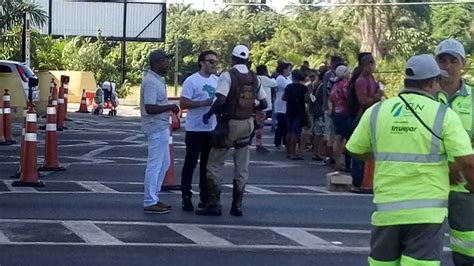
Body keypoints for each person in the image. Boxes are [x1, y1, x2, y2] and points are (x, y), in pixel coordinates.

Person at [346, 54, 474, 266]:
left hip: (387, 212)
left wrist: (386, 159)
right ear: (433, 82)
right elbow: (468, 161)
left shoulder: (377, 111)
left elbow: (355, 149)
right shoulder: (442, 115)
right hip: (427, 213)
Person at [196, 45, 267, 217]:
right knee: (242, 167)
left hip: (229, 124)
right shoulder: (254, 78)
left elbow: (220, 99)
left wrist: (209, 113)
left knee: (214, 164)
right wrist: (251, 106)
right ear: (247, 59)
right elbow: (264, 104)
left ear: (233, 58)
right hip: (247, 124)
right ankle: (237, 206)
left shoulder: (227, 76)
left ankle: (214, 204)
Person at [435, 38, 474, 266]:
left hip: (464, 185)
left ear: (463, 63)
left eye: (453, 60)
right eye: (442, 60)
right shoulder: (425, 96)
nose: (447, 66)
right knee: (422, 249)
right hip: (430, 184)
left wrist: (458, 167)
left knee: (466, 245)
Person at [140, 49, 180, 214]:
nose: (167, 63)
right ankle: (149, 201)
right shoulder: (150, 81)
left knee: (164, 164)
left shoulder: (157, 80)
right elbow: (149, 107)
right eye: (165, 61)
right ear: (156, 63)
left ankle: (154, 198)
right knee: (155, 165)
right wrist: (169, 107)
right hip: (155, 126)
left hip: (161, 126)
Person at [179, 50, 219, 212]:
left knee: (207, 166)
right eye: (211, 61)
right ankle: (186, 196)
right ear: (202, 62)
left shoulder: (217, 80)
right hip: (195, 129)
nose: (214, 65)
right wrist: (203, 103)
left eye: (216, 62)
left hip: (212, 128)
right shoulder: (192, 81)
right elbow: (184, 103)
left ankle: (205, 197)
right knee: (191, 163)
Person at [351, 53, 383, 189]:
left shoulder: (371, 78)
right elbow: (363, 101)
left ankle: (366, 179)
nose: (373, 67)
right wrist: (377, 96)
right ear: (365, 65)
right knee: (360, 150)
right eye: (371, 64)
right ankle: (358, 179)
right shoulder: (361, 81)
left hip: (371, 116)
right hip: (362, 117)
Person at [329, 65, 351, 171]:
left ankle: (337, 160)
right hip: (344, 113)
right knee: (343, 138)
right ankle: (341, 162)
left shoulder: (335, 85)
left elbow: (331, 99)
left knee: (338, 138)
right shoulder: (345, 85)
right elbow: (349, 98)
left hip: (336, 112)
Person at [283, 69, 309, 160]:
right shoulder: (303, 88)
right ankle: (294, 152)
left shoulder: (288, 87)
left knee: (289, 131)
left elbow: (284, 98)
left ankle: (289, 151)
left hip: (289, 110)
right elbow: (307, 99)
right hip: (299, 111)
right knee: (296, 132)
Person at [255, 64, 277, 153]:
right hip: (263, 106)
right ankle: (259, 144)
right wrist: (269, 76)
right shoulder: (265, 79)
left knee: (257, 125)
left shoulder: (256, 78)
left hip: (256, 104)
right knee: (260, 126)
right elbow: (275, 83)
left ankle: (255, 142)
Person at [274, 61, 292, 151]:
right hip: (281, 105)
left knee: (286, 125)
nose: (290, 71)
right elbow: (288, 87)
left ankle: (285, 142)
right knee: (281, 125)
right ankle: (277, 142)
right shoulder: (280, 79)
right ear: (284, 70)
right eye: (289, 69)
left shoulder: (287, 78)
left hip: (287, 105)